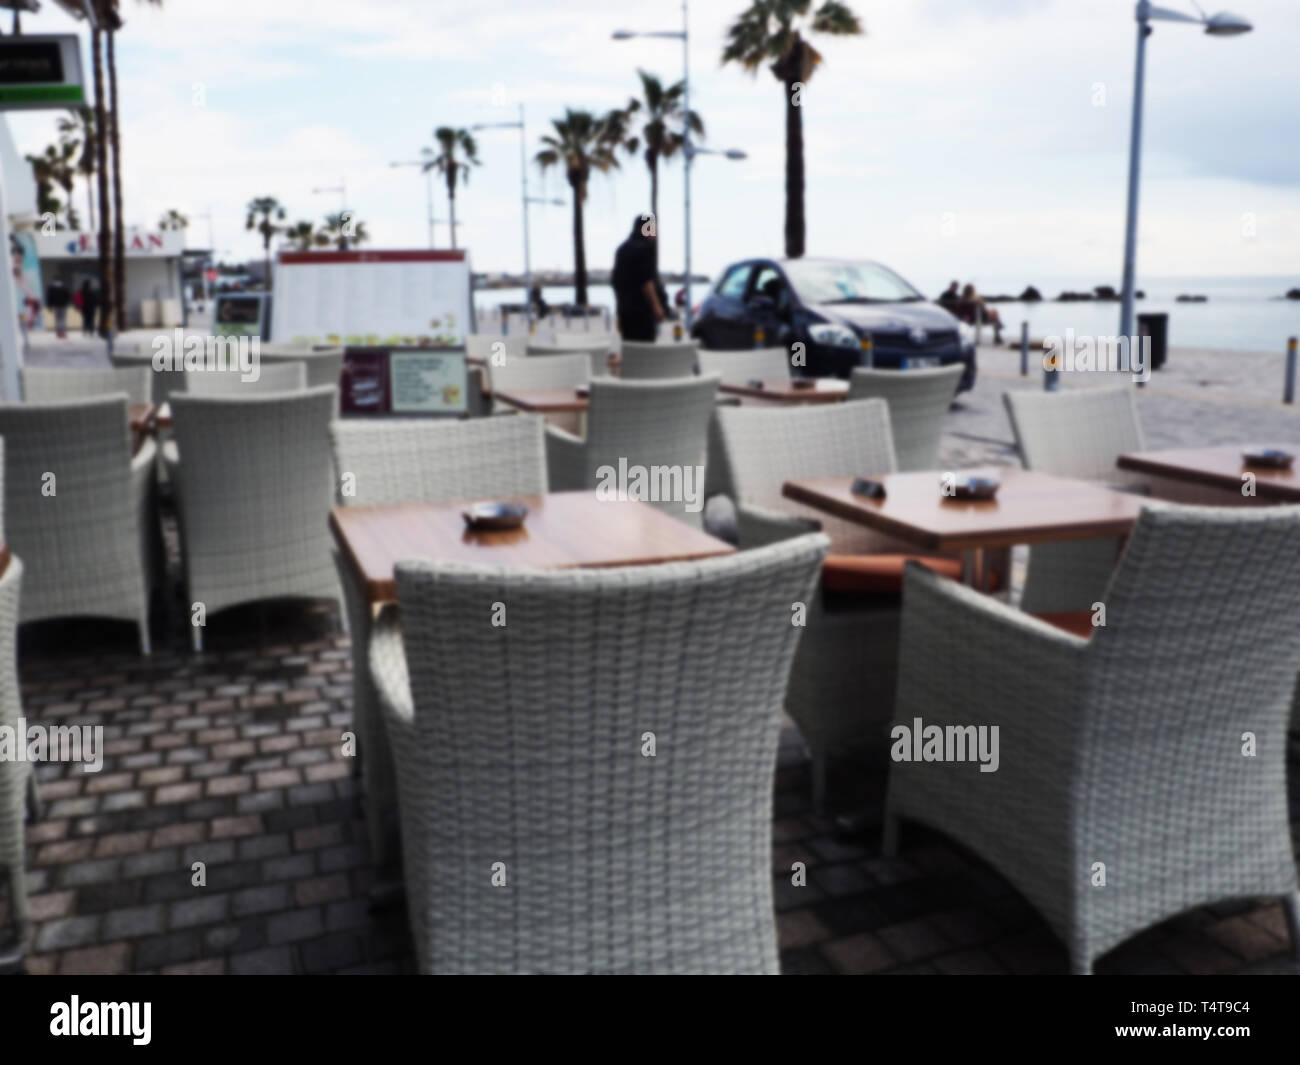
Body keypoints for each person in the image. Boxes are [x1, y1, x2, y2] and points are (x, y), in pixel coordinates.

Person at [611, 213, 664, 342]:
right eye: (652, 229)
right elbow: (646, 282)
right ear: (643, 228)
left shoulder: (621, 249)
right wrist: (657, 307)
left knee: (629, 348)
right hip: (642, 314)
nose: (655, 234)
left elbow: (615, 280)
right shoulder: (645, 249)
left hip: (624, 312)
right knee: (646, 351)